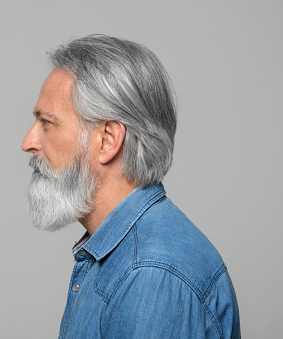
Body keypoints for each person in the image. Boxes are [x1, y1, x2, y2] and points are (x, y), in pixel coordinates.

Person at [21, 34, 240, 338]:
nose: (28, 143)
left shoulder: (151, 273)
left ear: (108, 140)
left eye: (47, 122)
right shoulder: (123, 256)